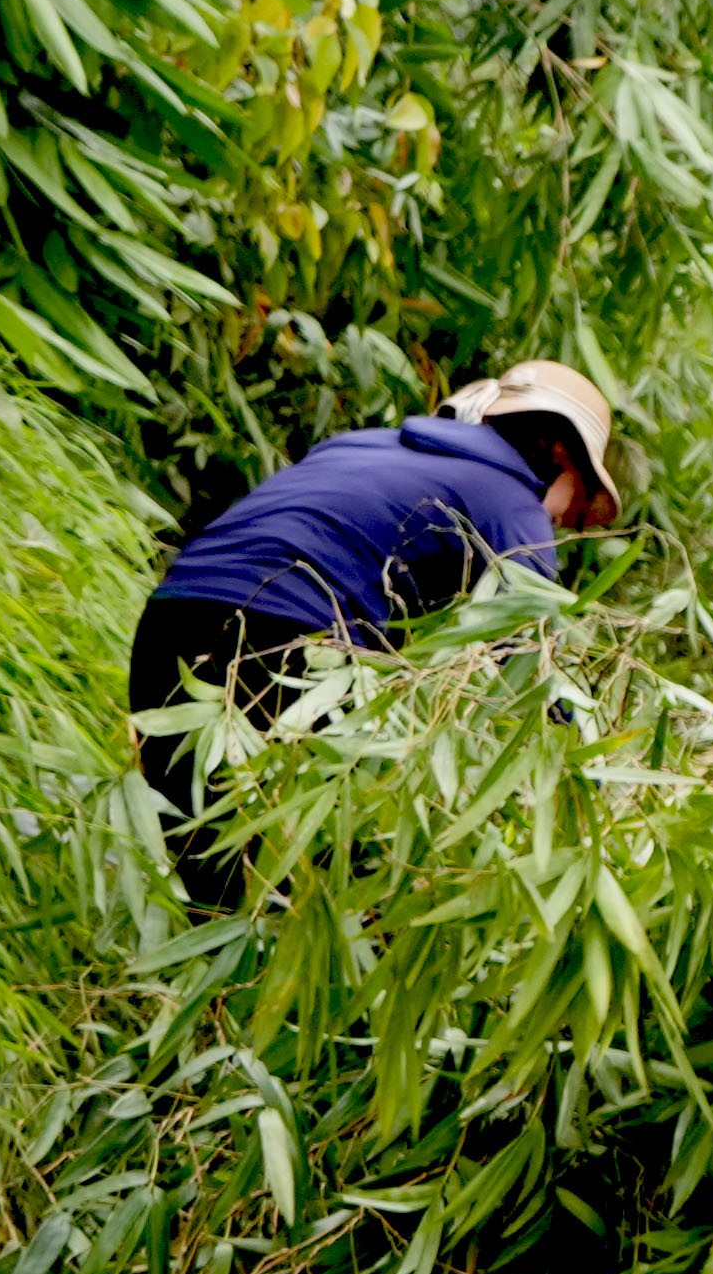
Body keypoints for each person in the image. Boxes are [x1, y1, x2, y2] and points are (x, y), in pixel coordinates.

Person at [124, 361, 630, 905]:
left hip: (170, 620)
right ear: (558, 453)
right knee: (325, 871)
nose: (557, 525)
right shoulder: (511, 501)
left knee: (207, 861)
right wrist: (586, 792)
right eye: (570, 508)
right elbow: (535, 670)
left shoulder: (358, 445)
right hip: (291, 643)